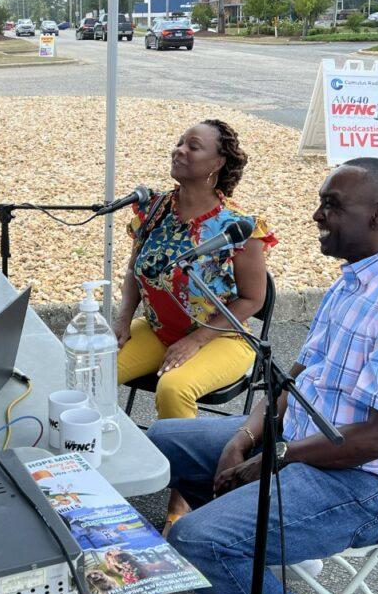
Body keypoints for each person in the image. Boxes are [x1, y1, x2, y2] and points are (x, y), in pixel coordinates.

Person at [148, 157, 378, 594]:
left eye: (332, 205)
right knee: (160, 442)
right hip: (310, 443)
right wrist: (245, 437)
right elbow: (297, 379)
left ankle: (268, 592)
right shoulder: (355, 280)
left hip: (372, 483)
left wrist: (273, 459)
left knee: (197, 540)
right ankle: (249, 550)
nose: (316, 216)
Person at [114, 119, 277, 529]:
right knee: (92, 368)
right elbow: (136, 271)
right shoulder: (152, 210)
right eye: (179, 143)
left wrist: (198, 339)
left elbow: (252, 299)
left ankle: (183, 497)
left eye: (193, 146)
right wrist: (122, 320)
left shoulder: (239, 228)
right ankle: (98, 465)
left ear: (218, 163)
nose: (179, 150)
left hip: (222, 337)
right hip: (157, 330)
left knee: (174, 385)